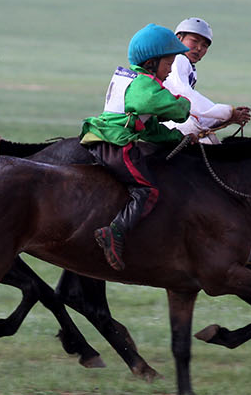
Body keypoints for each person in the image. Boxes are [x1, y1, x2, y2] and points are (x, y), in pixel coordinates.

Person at [80, 24, 192, 270]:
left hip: (103, 139)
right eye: (168, 65)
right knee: (147, 190)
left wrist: (176, 138)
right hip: (115, 145)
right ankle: (115, 232)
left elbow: (149, 128)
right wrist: (184, 103)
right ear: (152, 62)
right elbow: (176, 109)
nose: (169, 71)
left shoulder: (132, 79)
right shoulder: (145, 86)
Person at [160, 17, 251, 144]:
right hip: (164, 125)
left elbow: (194, 111)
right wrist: (228, 112)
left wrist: (228, 118)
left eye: (204, 45)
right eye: (194, 41)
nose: (199, 48)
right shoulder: (179, 60)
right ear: (179, 38)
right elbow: (185, 96)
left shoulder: (187, 65)